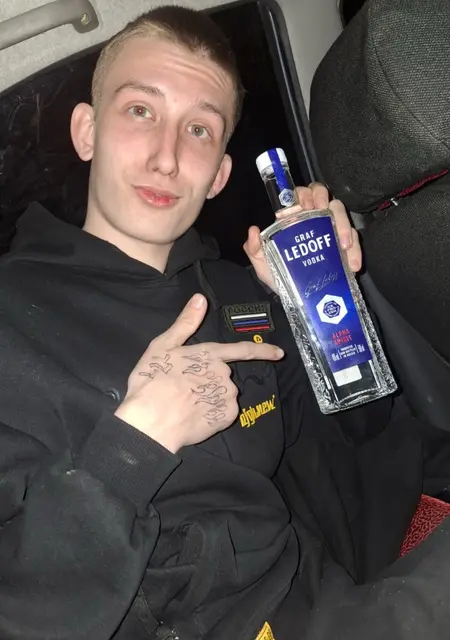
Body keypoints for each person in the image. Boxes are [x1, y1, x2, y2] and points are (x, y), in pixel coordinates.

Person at [1, 5, 450, 640]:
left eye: (199, 130)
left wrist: (327, 312)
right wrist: (138, 439)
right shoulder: (12, 322)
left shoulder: (238, 294)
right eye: (140, 110)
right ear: (87, 131)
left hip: (324, 598)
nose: (166, 157)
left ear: (219, 175)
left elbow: (362, 439)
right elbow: (24, 612)